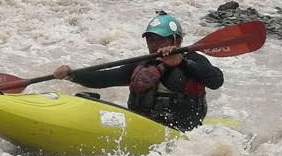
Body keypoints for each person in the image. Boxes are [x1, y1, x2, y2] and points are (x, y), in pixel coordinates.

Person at [51, 13, 224, 131]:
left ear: (176, 40)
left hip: (181, 128)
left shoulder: (192, 58)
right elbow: (104, 78)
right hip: (143, 124)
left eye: (159, 39)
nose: (154, 45)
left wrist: (183, 63)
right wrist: (71, 74)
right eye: (150, 39)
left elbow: (216, 80)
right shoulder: (144, 63)